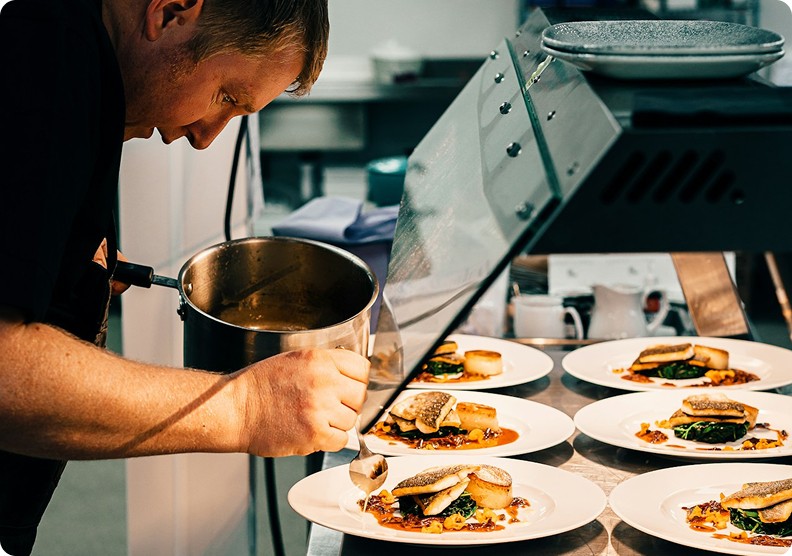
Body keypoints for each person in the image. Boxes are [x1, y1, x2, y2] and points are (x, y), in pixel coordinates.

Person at [0, 0, 371, 554]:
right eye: (226, 96)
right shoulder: (49, 68)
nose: (206, 137)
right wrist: (247, 408)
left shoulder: (78, 60)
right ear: (170, 11)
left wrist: (64, 263)